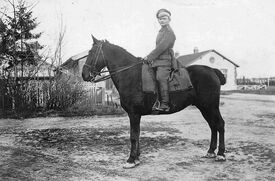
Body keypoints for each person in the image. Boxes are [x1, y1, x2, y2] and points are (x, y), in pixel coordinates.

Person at [144, 8, 176, 112]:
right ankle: (154, 100)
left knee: (160, 77)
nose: (161, 20)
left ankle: (165, 104)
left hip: (165, 61)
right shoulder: (161, 31)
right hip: (158, 61)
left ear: (169, 19)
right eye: (160, 19)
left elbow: (161, 48)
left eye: (164, 18)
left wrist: (149, 57)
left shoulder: (169, 33)